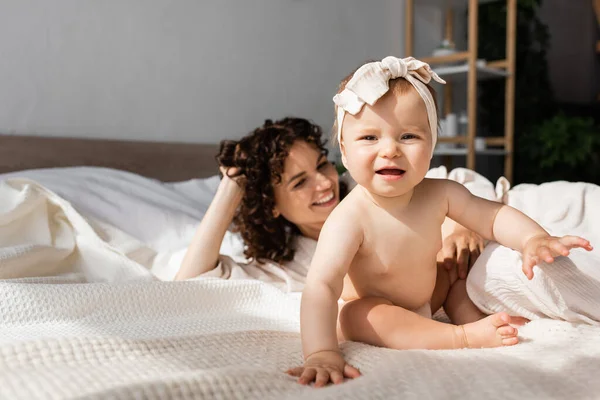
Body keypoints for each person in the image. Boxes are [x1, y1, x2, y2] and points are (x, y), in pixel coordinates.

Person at [288, 56, 594, 387]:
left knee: (454, 270)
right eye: (369, 138)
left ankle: (479, 320)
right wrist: (320, 352)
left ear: (431, 145)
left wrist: (533, 239)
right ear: (345, 153)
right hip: (374, 308)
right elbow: (322, 284)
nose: (390, 149)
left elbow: (490, 217)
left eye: (408, 136)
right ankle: (459, 337)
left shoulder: (440, 193)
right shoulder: (349, 218)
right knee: (360, 314)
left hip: (429, 295)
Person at [175, 117, 483, 293]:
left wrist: (464, 225)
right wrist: (233, 184)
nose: (324, 183)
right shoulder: (287, 268)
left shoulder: (370, 187)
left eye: (322, 166)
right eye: (299, 182)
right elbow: (189, 284)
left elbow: (455, 181)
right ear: (272, 207)